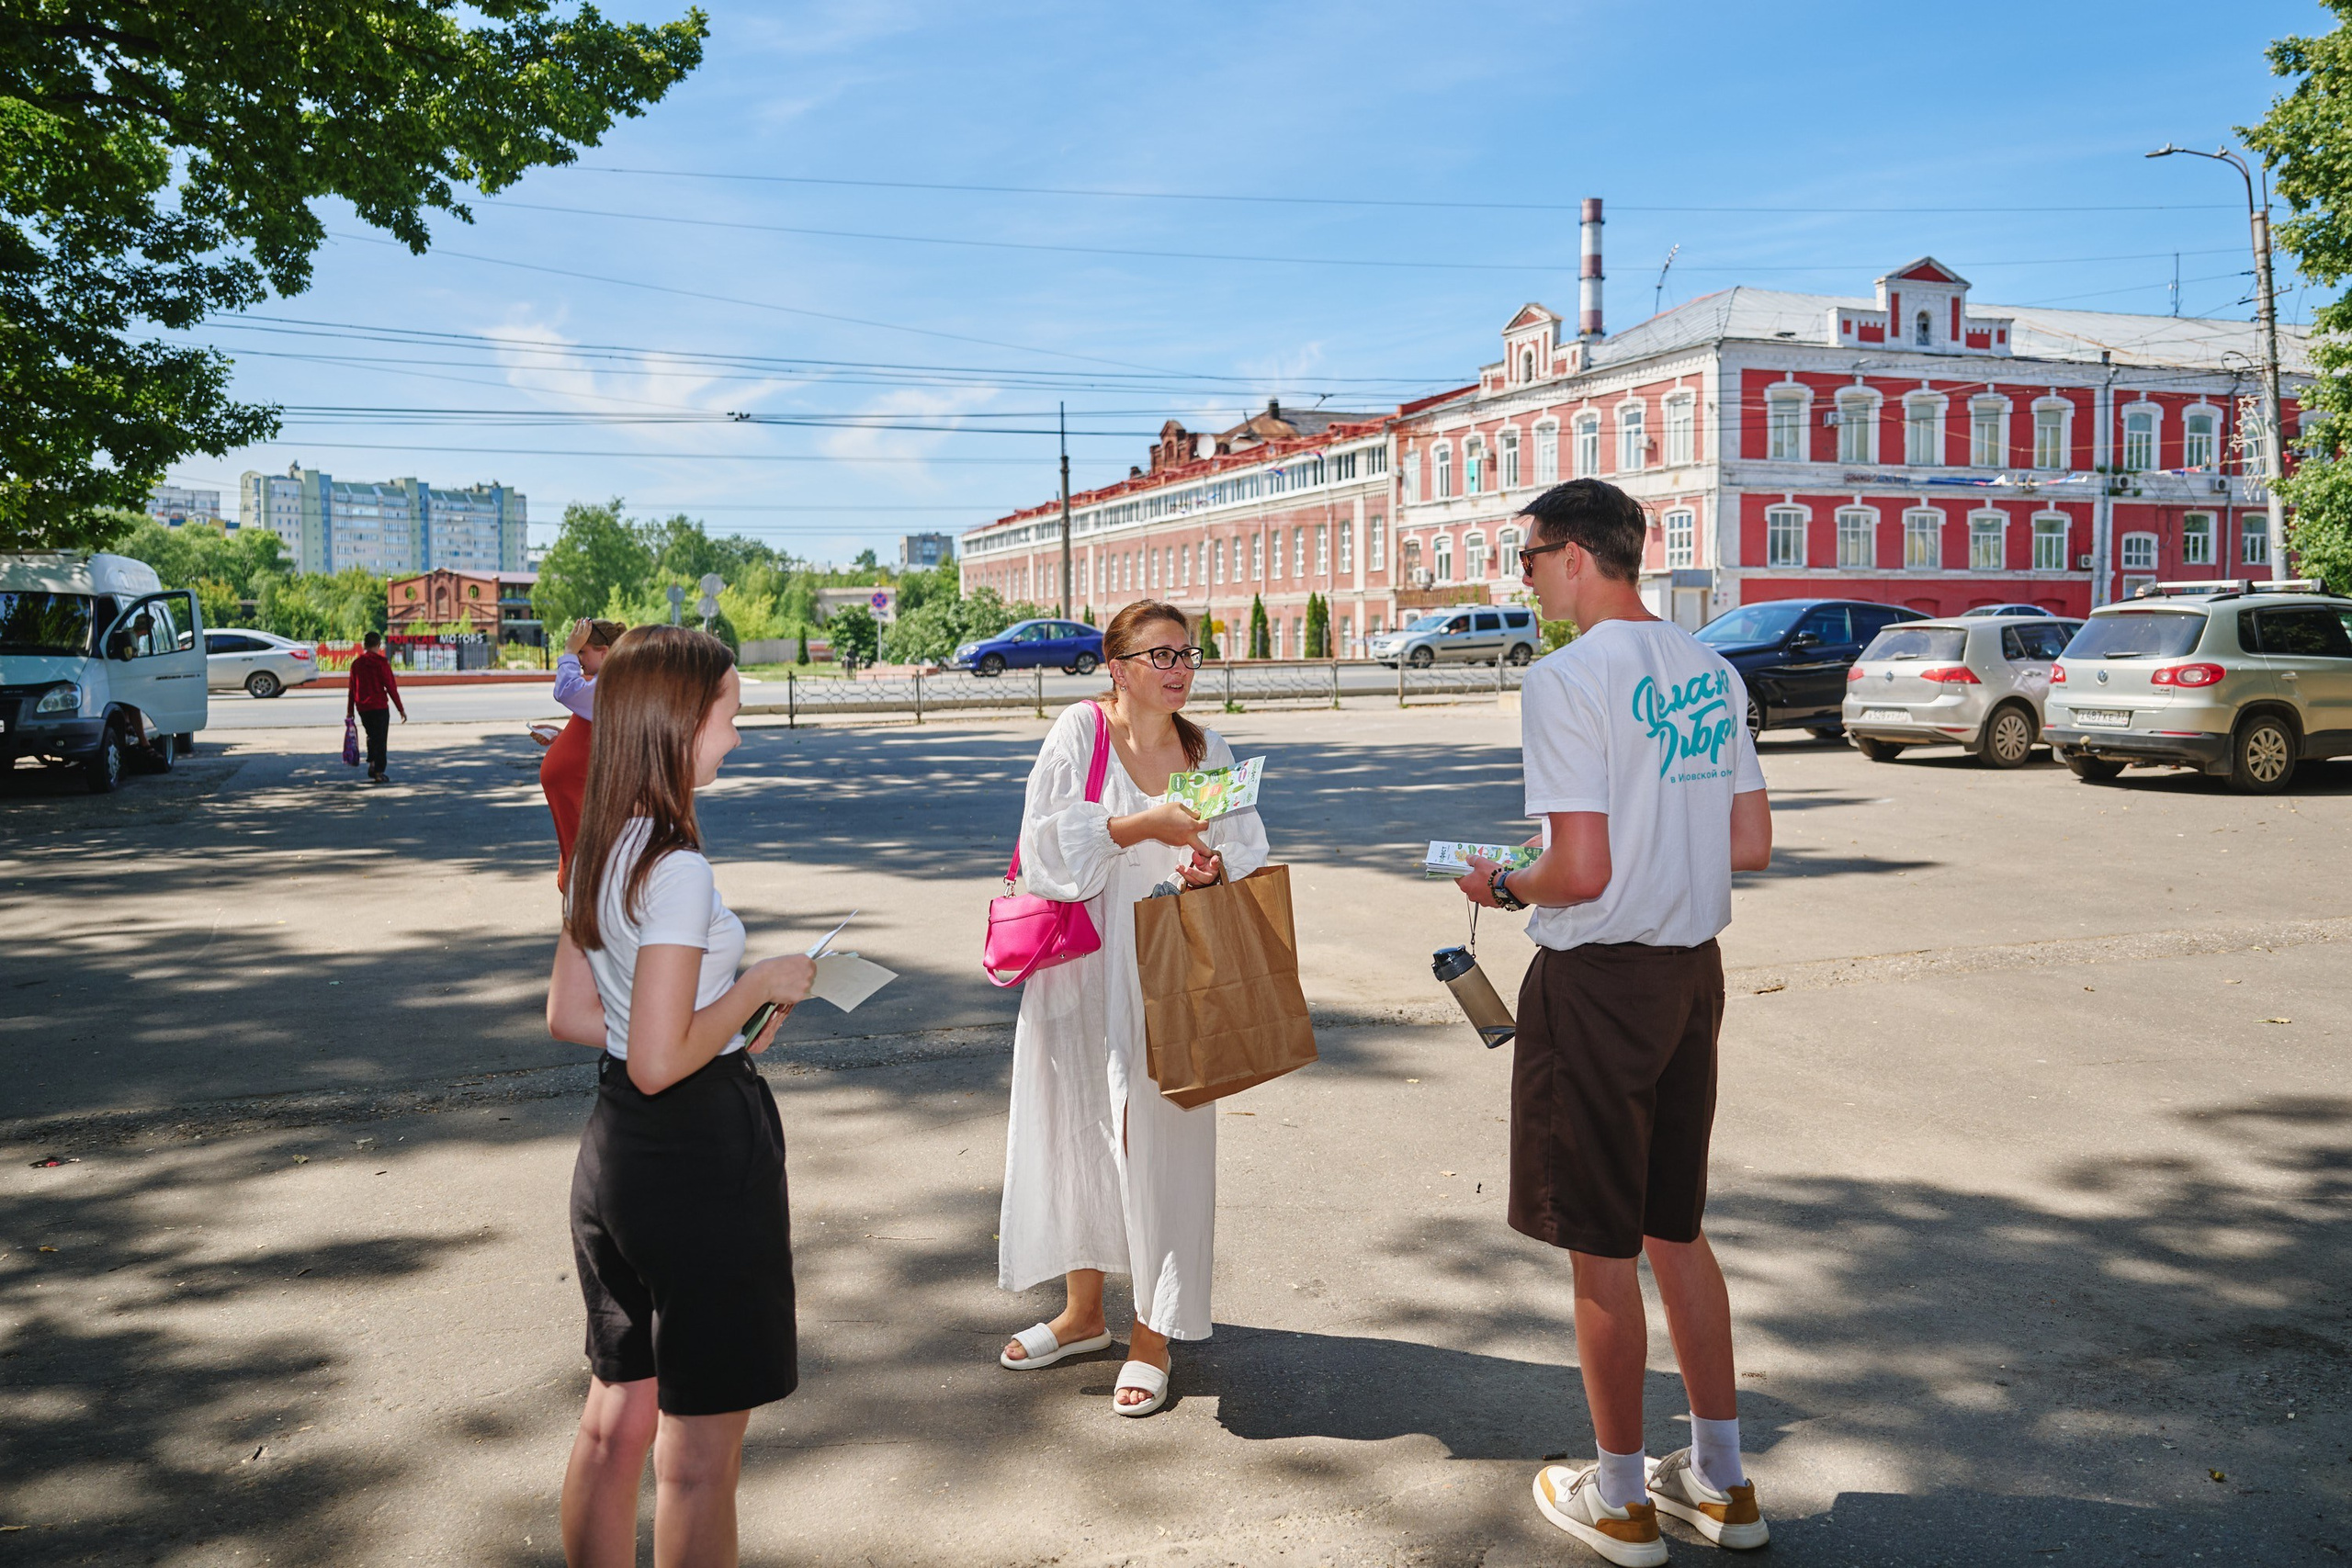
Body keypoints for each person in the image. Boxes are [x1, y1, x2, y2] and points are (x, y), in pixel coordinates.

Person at [1457, 479, 1774, 1566]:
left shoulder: (1564, 678)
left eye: (1530, 558)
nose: (1527, 578)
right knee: (1674, 1226)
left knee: (1599, 1248)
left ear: (1577, 555)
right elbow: (1748, 844)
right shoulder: (1711, 669)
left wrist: (1500, 881)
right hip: (1691, 975)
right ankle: (1724, 1481)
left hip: (1597, 985)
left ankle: (1624, 1497)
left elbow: (1578, 871)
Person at [543, 625, 816, 1567]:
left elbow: (579, 1017)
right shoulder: (678, 867)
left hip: (614, 1155)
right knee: (697, 1460)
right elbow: (662, 1060)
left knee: (614, 1422)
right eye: (729, 717)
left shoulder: (602, 845)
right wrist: (755, 988)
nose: (736, 737)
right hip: (694, 1160)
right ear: (681, 723)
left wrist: (712, 1023)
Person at [995, 600, 1269, 1416]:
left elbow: (1246, 847)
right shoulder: (1080, 733)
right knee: (1079, 1124)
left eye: (1187, 652)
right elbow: (1044, 850)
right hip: (1080, 963)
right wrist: (1134, 825)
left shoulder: (1206, 748)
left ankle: (1155, 1328)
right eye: (1159, 654)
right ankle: (1084, 1313)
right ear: (1116, 668)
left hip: (1168, 970)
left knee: (1160, 1138)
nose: (1179, 667)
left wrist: (1209, 871)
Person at [538, 618, 627, 888]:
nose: (578, 659)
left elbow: (565, 691)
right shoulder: (605, 683)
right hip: (583, 796)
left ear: (606, 652)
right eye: (576, 653)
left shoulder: (612, 684)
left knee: (591, 880)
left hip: (590, 797)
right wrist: (560, 738)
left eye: (582, 651)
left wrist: (566, 652)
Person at [345, 631, 406, 784]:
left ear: (364, 645)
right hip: (379, 706)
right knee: (380, 739)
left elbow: (352, 690)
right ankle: (379, 771)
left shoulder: (356, 664)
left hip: (363, 708)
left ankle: (372, 763)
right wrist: (401, 709)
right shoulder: (381, 663)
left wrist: (350, 710)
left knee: (371, 735)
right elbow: (391, 687)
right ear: (379, 645)